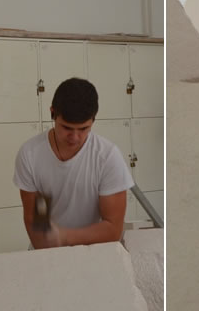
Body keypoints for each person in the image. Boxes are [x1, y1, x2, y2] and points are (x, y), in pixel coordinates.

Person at [14, 77, 134, 249]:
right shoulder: (31, 155)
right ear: (52, 113)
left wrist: (64, 237)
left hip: (92, 250)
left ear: (93, 120)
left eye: (84, 129)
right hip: (47, 250)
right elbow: (37, 220)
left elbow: (113, 229)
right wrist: (50, 246)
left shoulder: (107, 157)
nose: (75, 137)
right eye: (67, 128)